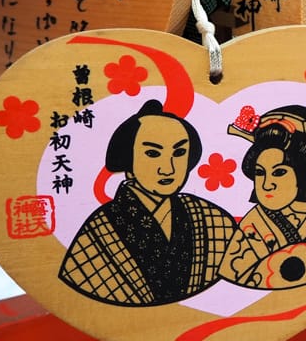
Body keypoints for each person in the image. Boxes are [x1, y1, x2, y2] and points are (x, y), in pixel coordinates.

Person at [59, 100, 237, 306]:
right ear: (128, 159)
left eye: (179, 153)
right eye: (153, 154)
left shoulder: (212, 218)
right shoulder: (99, 230)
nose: (168, 169)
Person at [220, 105, 306, 289]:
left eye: (279, 172)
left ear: (302, 174)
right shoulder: (253, 225)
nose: (266, 183)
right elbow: (235, 280)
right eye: (260, 173)